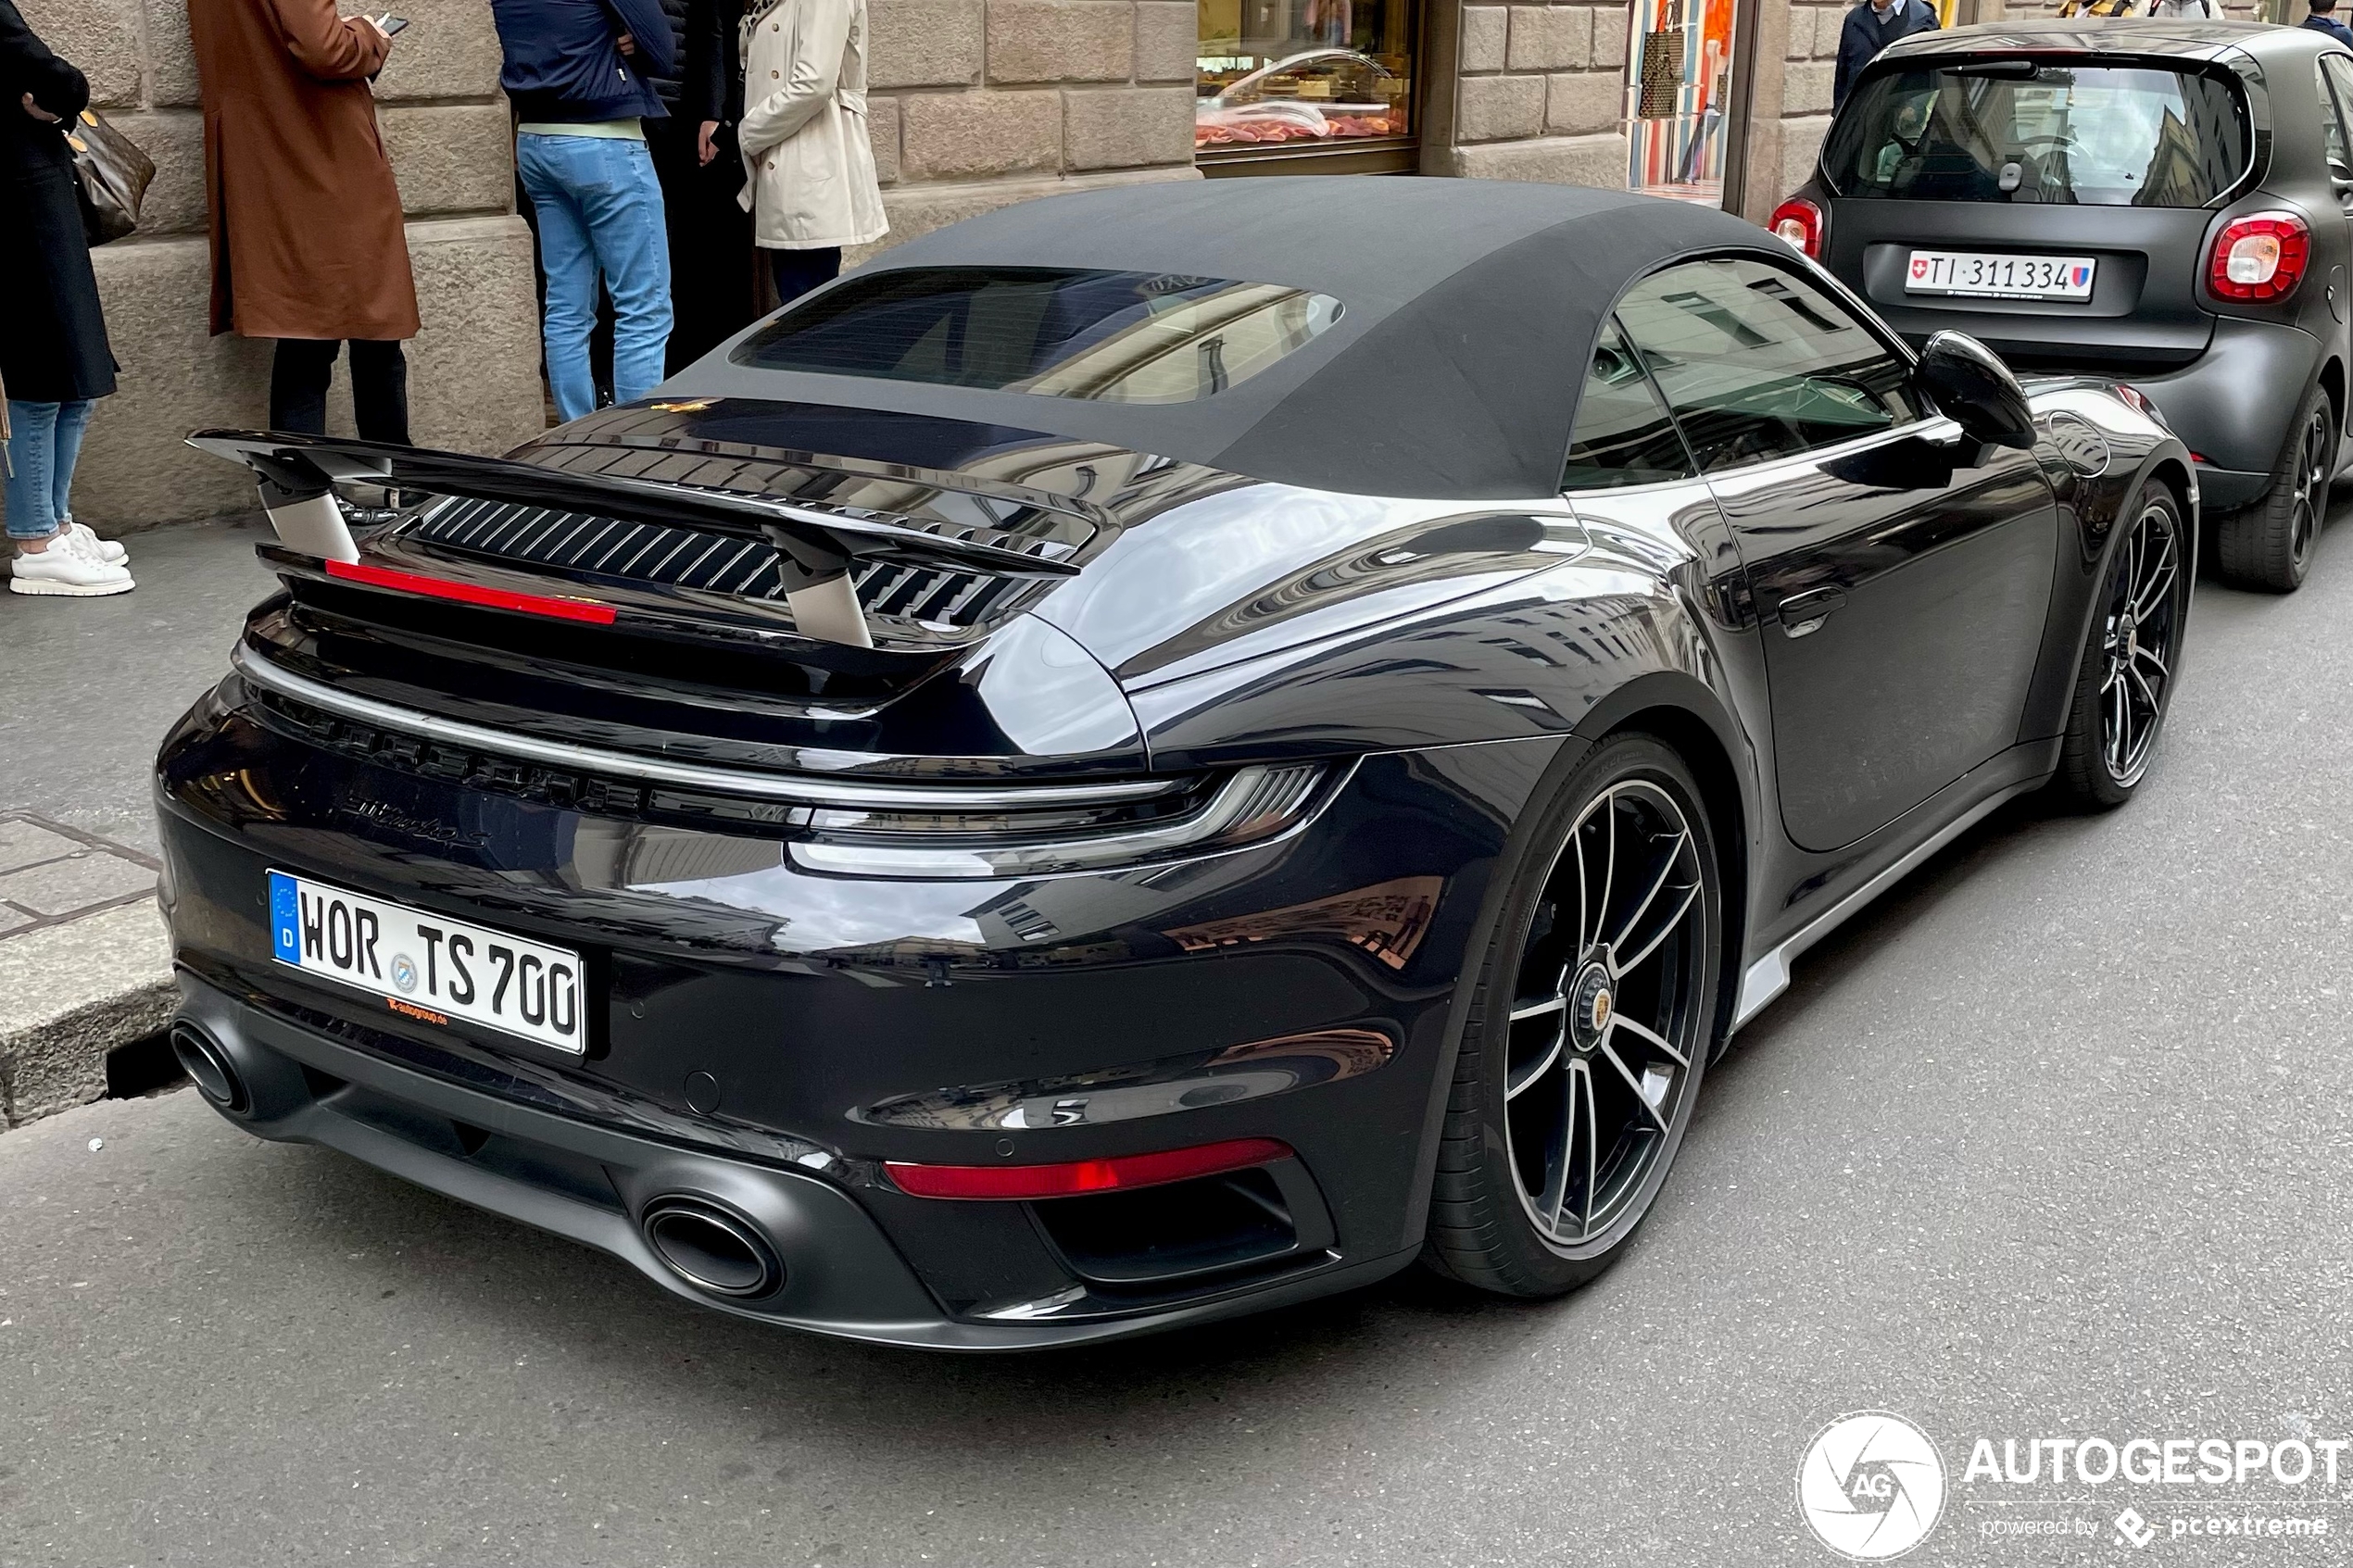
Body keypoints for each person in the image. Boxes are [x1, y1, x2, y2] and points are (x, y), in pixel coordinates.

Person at [187, 0, 418, 445]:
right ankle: (392, 479)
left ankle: (301, 493)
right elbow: (325, 49)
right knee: (375, 327)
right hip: (320, 149)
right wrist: (369, 35)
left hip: (267, 153)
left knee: (304, 335)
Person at [493, 0, 677, 422]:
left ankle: (575, 438)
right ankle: (635, 447)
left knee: (567, 307)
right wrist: (615, 39)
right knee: (643, 307)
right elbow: (664, 52)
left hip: (537, 139)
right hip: (604, 142)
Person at [1, 0, 132, 596]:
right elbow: (57, 78)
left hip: (32, 195)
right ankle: (36, 541)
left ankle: (55, 525)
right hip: (21, 199)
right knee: (43, 369)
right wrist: (60, 95)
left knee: (75, 366)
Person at [737, 0, 887, 307]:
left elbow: (814, 83)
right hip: (781, 159)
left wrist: (746, 134)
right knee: (799, 308)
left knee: (807, 312)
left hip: (812, 158)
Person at [648, 0, 759, 370]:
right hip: (640, 108)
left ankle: (693, 357)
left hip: (681, 112)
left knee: (687, 241)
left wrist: (712, 110)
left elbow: (711, 28)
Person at [1834, 0, 1938, 110]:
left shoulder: (1923, 18)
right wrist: (1839, 113)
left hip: (1902, 116)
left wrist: (1915, 109)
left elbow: (1931, 75)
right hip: (1859, 116)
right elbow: (1842, 74)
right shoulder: (1854, 18)